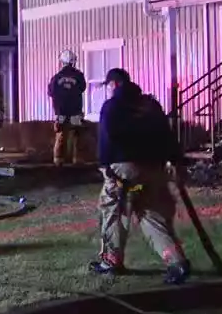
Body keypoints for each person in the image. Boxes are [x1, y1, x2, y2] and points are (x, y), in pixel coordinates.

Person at [91, 68, 191, 285]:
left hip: (123, 172)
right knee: (150, 215)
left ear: (114, 85)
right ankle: (177, 262)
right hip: (153, 171)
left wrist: (104, 166)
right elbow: (167, 134)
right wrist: (175, 160)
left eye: (108, 86)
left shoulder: (112, 107)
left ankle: (111, 261)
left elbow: (107, 138)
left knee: (113, 212)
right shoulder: (151, 105)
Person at [49, 50, 87, 165]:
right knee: (76, 135)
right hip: (75, 111)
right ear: (73, 62)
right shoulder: (79, 76)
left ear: (62, 62)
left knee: (60, 135)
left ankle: (58, 161)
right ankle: (77, 160)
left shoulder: (56, 78)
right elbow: (83, 88)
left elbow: (51, 92)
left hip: (60, 112)